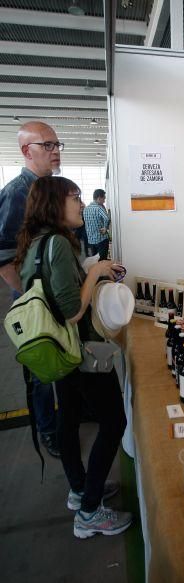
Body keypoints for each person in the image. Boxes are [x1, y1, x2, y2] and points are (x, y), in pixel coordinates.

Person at [15, 176, 132, 538]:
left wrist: (87, 271)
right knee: (113, 423)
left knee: (67, 420)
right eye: (74, 197)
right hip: (77, 350)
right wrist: (95, 271)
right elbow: (71, 310)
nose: (81, 204)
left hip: (54, 351)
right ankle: (90, 512)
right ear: (55, 203)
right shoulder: (59, 245)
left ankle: (80, 488)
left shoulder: (34, 244)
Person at [0, 121, 63, 457]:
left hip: (55, 297)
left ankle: (65, 418)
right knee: (40, 370)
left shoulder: (48, 190)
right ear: (27, 151)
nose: (55, 152)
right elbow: (3, 256)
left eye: (57, 145)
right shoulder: (17, 193)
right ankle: (47, 429)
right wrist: (28, 296)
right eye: (48, 145)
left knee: (60, 357)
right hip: (33, 301)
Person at [83, 189, 110, 260]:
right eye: (104, 198)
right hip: (101, 239)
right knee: (103, 260)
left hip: (91, 241)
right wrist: (105, 228)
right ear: (99, 198)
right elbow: (107, 218)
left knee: (94, 260)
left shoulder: (86, 209)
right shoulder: (99, 208)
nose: (104, 201)